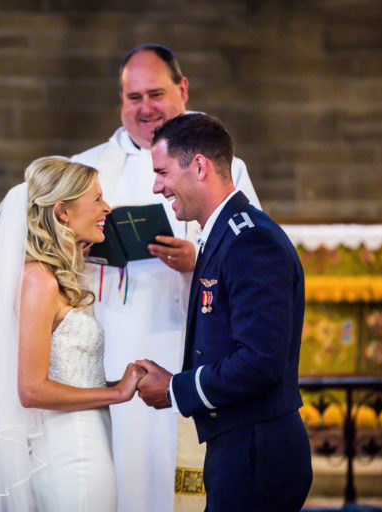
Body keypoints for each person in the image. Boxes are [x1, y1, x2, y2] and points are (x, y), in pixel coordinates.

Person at [71, 44, 260, 512]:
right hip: (114, 341)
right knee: (123, 475)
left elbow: (252, 256)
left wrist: (198, 258)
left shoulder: (219, 165)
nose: (145, 108)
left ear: (183, 89)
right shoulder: (89, 169)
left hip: (187, 344)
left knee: (178, 479)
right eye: (133, 98)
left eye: (156, 93)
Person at [136, 113, 313, 511]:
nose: (157, 186)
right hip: (239, 443)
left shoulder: (250, 241)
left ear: (198, 166)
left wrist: (175, 389)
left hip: (257, 451)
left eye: (163, 172)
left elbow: (261, 362)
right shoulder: (225, 234)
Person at [0, 156, 144, 512]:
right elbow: (31, 389)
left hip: (86, 438)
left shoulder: (52, 277)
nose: (107, 208)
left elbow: (67, 372)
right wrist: (115, 393)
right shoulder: (39, 280)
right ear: (62, 212)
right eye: (97, 199)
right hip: (72, 449)